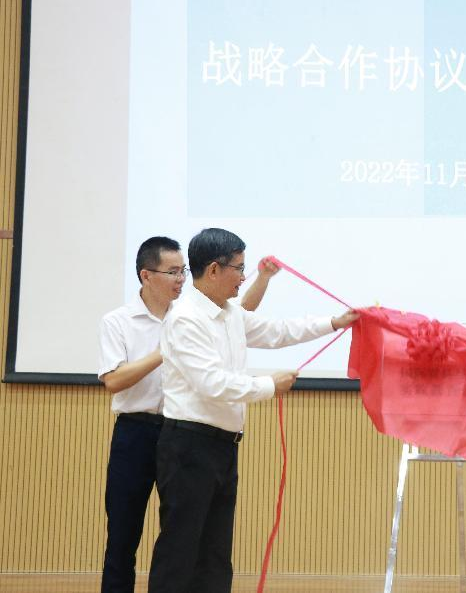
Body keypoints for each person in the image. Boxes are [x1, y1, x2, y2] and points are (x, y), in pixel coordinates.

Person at [147, 227, 358, 593]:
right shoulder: (185, 318)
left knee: (215, 553)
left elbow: (278, 332)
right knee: (180, 550)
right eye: (239, 268)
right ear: (214, 269)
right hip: (188, 447)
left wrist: (334, 323)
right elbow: (212, 383)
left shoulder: (230, 313)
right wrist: (268, 385)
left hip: (223, 446)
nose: (244, 277)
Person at [98, 237, 281, 593]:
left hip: (182, 434)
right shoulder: (119, 321)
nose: (181, 279)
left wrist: (262, 278)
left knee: (183, 534)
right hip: (136, 432)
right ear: (146, 275)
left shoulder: (193, 311)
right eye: (172, 272)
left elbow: (241, 313)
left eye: (183, 270)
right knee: (122, 535)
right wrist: (167, 347)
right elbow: (114, 380)